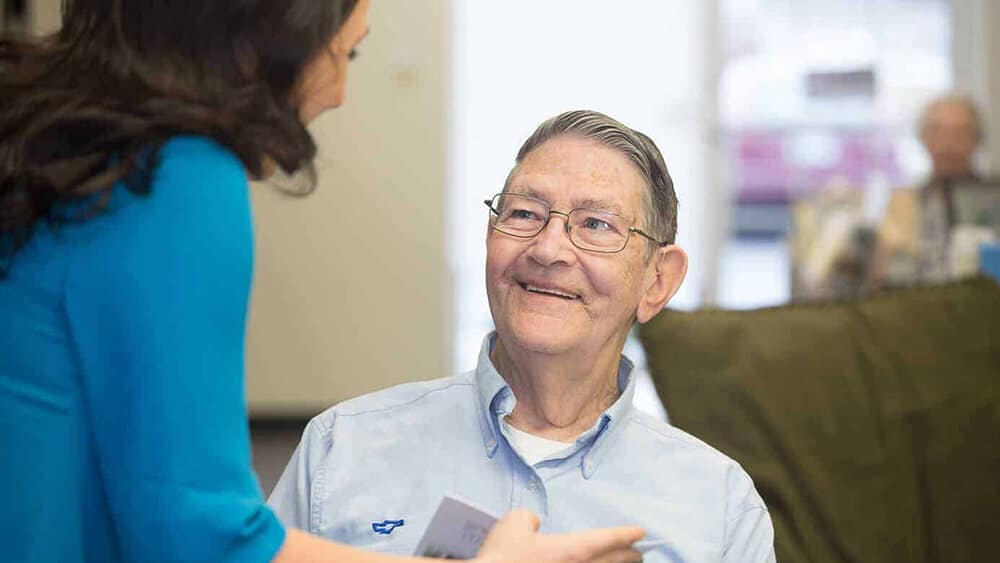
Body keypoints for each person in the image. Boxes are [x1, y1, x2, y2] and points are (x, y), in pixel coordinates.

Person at [0, 2, 644, 562]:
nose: (338, 91)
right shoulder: (177, 179)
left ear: (659, 279)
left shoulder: (70, 149)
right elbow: (200, 539)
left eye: (595, 224)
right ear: (274, 33)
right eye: (349, 54)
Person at [269, 110, 777, 562]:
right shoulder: (344, 446)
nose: (548, 248)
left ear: (657, 281)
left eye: (596, 224)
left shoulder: (718, 504)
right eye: (525, 214)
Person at [869, 94, 995, 286]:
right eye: (938, 132)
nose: (949, 144)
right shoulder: (904, 203)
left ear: (977, 139)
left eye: (961, 133)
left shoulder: (993, 198)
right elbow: (883, 277)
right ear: (923, 138)